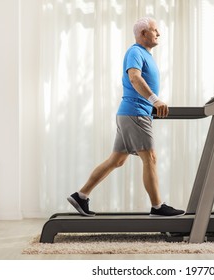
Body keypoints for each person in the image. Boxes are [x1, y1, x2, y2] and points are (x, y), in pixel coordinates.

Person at [67, 17, 185, 217]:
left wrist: (152, 105)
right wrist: (155, 100)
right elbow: (134, 78)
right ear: (143, 33)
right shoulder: (135, 52)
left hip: (132, 113)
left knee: (117, 160)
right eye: (155, 30)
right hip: (135, 112)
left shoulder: (145, 54)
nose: (159, 34)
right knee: (150, 158)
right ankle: (158, 207)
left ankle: (81, 196)